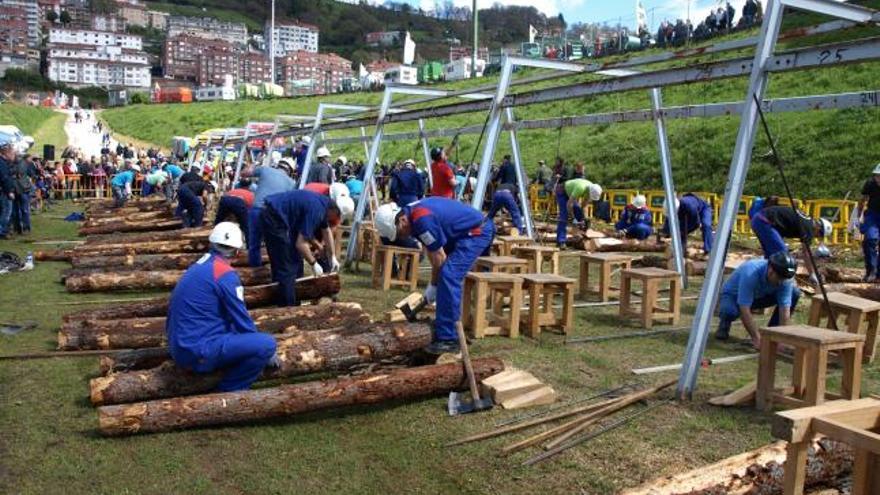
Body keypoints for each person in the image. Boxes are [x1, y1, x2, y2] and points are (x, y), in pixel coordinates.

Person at [166, 222, 277, 392]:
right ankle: (230, 391)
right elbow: (242, 319)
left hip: (181, 345)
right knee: (266, 344)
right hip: (196, 350)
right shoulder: (225, 274)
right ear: (238, 252)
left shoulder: (200, 265)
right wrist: (264, 350)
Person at [375, 197, 495, 354]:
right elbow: (432, 250)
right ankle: (450, 326)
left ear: (401, 220)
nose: (402, 237)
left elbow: (439, 257)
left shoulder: (421, 219)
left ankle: (449, 339)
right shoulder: (412, 215)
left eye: (399, 232)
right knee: (445, 276)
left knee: (449, 276)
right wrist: (433, 285)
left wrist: (434, 285)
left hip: (476, 232)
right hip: (461, 232)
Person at [260, 190, 342, 306]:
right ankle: (288, 308)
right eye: (332, 219)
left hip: (278, 216)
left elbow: (326, 231)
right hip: (273, 216)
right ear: (333, 212)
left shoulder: (323, 205)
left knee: (296, 261)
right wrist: (313, 264)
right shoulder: (317, 210)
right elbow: (301, 243)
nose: (331, 222)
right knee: (286, 266)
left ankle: (293, 298)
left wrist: (333, 256)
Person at [716, 252, 800, 348]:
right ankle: (725, 324)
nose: (781, 282)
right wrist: (756, 338)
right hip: (733, 296)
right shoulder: (751, 272)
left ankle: (772, 333)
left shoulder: (785, 278)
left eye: (784, 279)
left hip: (760, 296)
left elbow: (784, 309)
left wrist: (782, 338)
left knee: (794, 293)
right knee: (729, 311)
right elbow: (744, 309)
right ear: (771, 270)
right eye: (779, 278)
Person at [750, 204, 831, 283]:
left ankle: (762, 279)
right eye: (819, 234)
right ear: (818, 227)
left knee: (771, 256)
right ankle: (780, 284)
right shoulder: (809, 228)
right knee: (783, 256)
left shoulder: (807, 220)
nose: (816, 236)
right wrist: (812, 274)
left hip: (759, 219)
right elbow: (806, 253)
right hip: (764, 222)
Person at [242, 159, 297, 267]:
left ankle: (255, 270)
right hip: (273, 214)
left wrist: (254, 163)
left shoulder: (265, 170)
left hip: (257, 209)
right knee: (274, 245)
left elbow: (244, 173)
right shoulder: (292, 183)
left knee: (254, 244)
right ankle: (276, 270)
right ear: (290, 170)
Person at [556, 177, 603, 247]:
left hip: (571, 194)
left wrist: (585, 219)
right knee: (564, 216)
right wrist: (572, 217)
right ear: (590, 191)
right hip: (562, 191)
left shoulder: (590, 190)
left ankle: (578, 235)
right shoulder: (581, 188)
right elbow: (569, 204)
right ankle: (561, 241)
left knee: (578, 211)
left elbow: (584, 206)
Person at [858, 164, 880, 281]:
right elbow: (862, 200)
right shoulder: (870, 184)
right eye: (877, 176)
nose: (879, 179)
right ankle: (871, 270)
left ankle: (878, 273)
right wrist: (859, 216)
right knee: (870, 239)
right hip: (872, 214)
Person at [0, 133, 17, 239]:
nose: (14, 154)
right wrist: (9, 191)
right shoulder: (2, 163)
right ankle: (2, 231)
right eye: (12, 152)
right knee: (6, 212)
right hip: (4, 192)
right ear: (6, 152)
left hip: (4, 190)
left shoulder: (5, 162)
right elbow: (4, 178)